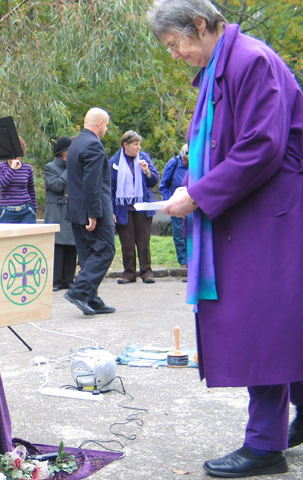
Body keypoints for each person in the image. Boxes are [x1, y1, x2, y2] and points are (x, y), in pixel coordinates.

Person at [148, 0, 303, 477]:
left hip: (271, 216)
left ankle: (264, 447)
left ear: (199, 24)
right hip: (252, 212)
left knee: (265, 327)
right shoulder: (223, 64)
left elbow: (261, 146)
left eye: (176, 45)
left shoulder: (250, 60)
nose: (176, 55)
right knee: (280, 324)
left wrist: (197, 195)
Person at [63, 108, 115, 316]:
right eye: (107, 125)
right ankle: (80, 292)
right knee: (105, 250)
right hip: (92, 209)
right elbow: (92, 183)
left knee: (87, 254)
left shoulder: (75, 143)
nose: (106, 129)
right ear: (100, 124)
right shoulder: (94, 145)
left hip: (75, 208)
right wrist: (93, 214)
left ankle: (91, 298)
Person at [109, 131, 160, 284]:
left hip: (142, 207)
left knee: (144, 241)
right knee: (127, 242)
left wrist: (147, 171)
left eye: (139, 144)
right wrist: (111, 210)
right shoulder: (114, 161)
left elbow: (154, 181)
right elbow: (110, 188)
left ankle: (146, 272)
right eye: (135, 144)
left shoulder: (144, 158)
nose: (138, 147)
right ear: (125, 145)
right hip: (123, 208)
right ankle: (129, 273)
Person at [44, 136, 77, 291]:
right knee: (58, 246)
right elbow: (56, 185)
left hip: (72, 209)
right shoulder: (50, 167)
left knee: (72, 245)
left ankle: (68, 279)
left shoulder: (76, 166)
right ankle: (55, 280)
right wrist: (69, 170)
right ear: (64, 152)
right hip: (57, 211)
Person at [159, 144, 189, 266]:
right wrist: (170, 202)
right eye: (186, 160)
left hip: (192, 204)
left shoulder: (195, 164)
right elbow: (163, 185)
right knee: (179, 233)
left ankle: (192, 261)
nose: (188, 163)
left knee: (191, 233)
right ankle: (183, 262)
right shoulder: (174, 163)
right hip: (177, 205)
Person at [0, 137, 36, 224]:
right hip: (7, 212)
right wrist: (12, 168)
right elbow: (2, 184)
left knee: (28, 237)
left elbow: (31, 189)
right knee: (7, 237)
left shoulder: (27, 168)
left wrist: (34, 208)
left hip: (26, 210)